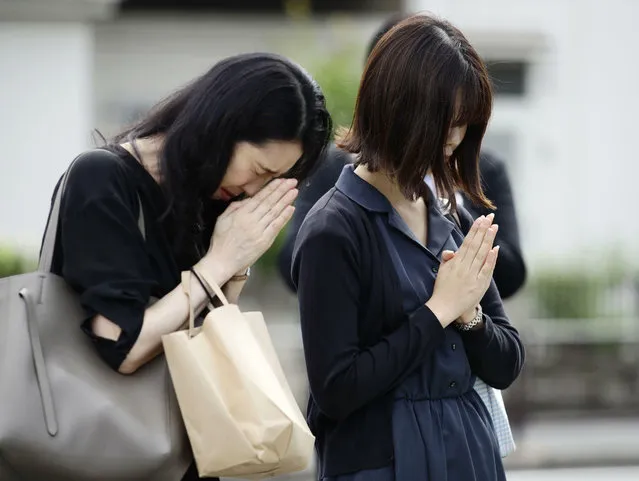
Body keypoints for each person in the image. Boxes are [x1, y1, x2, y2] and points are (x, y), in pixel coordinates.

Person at [46, 53, 331, 481]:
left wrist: (237, 266)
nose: (253, 189)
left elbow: (206, 336)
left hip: (184, 458)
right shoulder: (102, 178)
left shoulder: (205, 198)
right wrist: (219, 263)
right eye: (258, 169)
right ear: (222, 126)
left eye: (271, 181)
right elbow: (122, 345)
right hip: (102, 453)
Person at [291, 14, 524, 481]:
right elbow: (335, 389)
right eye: (446, 123)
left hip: (469, 453)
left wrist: (469, 316)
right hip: (384, 462)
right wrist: (438, 310)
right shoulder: (332, 230)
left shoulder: (449, 213)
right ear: (398, 110)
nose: (455, 141)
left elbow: (507, 361)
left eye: (465, 125)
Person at [278, 14, 526, 300]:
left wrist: (455, 222)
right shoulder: (335, 172)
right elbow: (295, 264)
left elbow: (512, 276)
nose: (451, 138)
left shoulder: (483, 168)